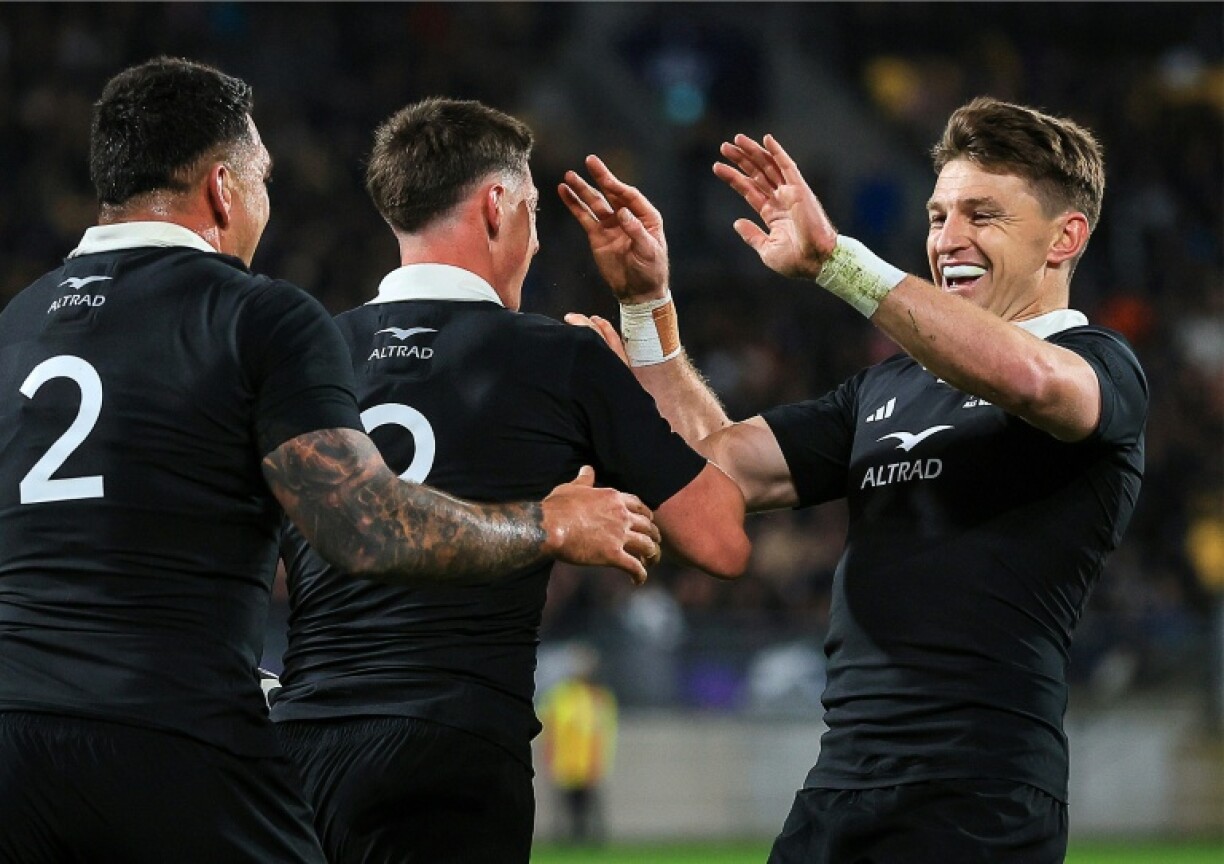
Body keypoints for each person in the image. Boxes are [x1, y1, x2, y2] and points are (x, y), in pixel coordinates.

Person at [0, 58, 663, 864]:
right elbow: (366, 529)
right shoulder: (258, 315)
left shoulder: (15, 325)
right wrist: (546, 524)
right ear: (223, 190)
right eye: (263, 180)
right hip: (168, 738)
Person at [561, 97, 1147, 862]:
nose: (949, 238)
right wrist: (646, 309)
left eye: (983, 215)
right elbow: (714, 468)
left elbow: (1030, 380)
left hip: (978, 790)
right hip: (841, 785)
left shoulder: (1101, 366)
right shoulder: (886, 387)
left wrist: (838, 261)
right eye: (938, 216)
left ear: (1064, 237)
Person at [269, 96, 749, 864]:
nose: (536, 238)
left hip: (299, 760)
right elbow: (721, 538)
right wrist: (642, 315)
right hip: (456, 756)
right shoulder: (562, 359)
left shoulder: (303, 356)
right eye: (533, 211)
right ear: (497, 206)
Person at [538, 644, 619, 846]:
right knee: (567, 805)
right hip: (565, 761)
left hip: (588, 761)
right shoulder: (560, 695)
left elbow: (604, 731)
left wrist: (600, 761)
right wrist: (549, 757)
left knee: (589, 804)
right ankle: (568, 839)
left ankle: (592, 839)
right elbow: (549, 727)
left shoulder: (598, 697)